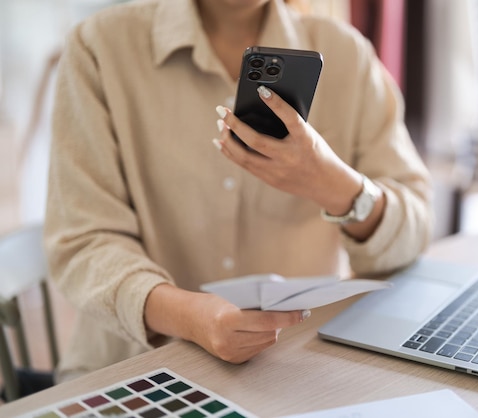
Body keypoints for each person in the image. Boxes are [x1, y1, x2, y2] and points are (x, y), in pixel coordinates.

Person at [44, 0, 433, 383]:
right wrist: (189, 317)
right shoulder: (100, 47)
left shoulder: (347, 55)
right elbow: (84, 243)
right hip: (134, 370)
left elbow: (414, 232)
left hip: (293, 373)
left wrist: (339, 187)